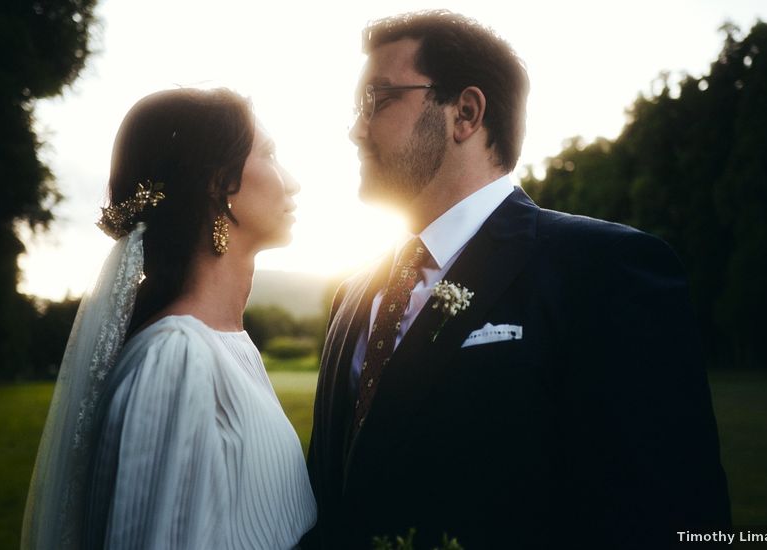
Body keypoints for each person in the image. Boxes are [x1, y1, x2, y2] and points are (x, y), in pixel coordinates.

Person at [303, 10, 731, 549]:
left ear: (464, 112)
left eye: (378, 99)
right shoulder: (354, 293)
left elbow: (673, 516)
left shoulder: (605, 271)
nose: (355, 129)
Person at [22, 88, 316, 549]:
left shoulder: (226, 346)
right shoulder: (175, 360)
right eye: (271, 155)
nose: (293, 182)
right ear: (218, 186)